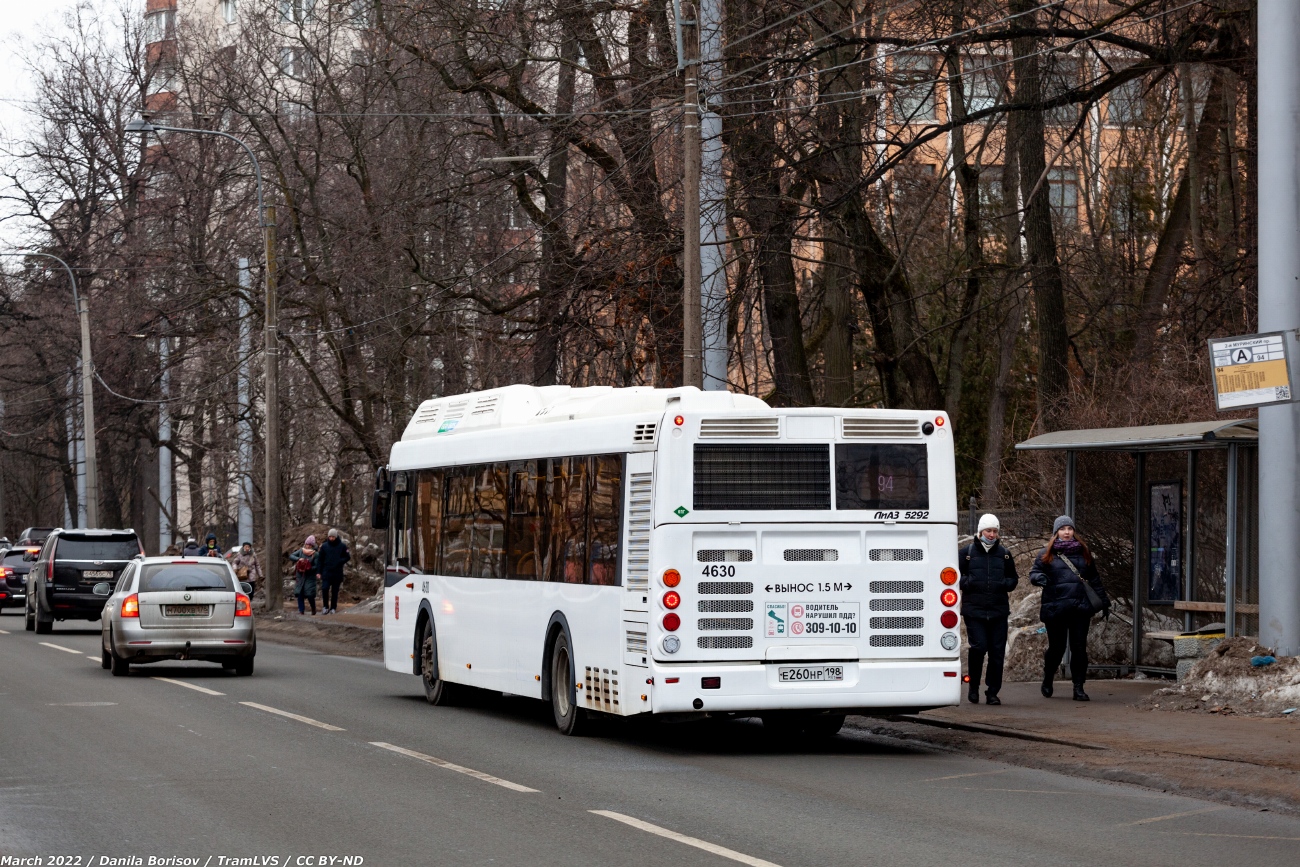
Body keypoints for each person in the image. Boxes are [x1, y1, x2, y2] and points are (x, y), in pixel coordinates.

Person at [1030, 516, 1111, 701]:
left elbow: (1094, 579)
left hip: (1079, 608)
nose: (1067, 532)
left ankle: (1078, 687)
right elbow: (1034, 572)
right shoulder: (1047, 553)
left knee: (1079, 649)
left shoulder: (1084, 552)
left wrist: (1104, 602)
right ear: (1056, 532)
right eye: (1063, 529)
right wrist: (1038, 578)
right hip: (1056, 609)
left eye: (1070, 528)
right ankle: (1048, 678)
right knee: (1056, 649)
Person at [959, 514, 1019, 705]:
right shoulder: (966, 553)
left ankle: (992, 691)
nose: (992, 534)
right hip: (974, 610)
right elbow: (954, 576)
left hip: (998, 611)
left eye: (995, 531)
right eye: (988, 531)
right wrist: (969, 582)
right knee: (979, 647)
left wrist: (1003, 583)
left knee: (997, 652)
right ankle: (973, 686)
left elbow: (1013, 579)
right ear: (980, 531)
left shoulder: (1004, 554)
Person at [316, 528, 351, 615]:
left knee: (335, 591)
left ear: (336, 537)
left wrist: (340, 561)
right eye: (330, 537)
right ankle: (325, 607)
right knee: (325, 588)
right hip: (326, 571)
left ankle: (333, 608)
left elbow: (347, 557)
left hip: (337, 572)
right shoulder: (324, 546)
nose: (331, 538)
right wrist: (318, 572)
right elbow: (320, 560)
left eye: (333, 537)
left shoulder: (342, 546)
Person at [289, 535, 320, 615]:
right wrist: (299, 559)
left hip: (310, 576)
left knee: (310, 594)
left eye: (310, 545)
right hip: (300, 576)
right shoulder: (300, 551)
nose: (308, 546)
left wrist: (309, 567)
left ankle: (313, 608)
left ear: (312, 546)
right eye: (307, 544)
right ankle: (301, 610)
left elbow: (317, 566)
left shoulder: (315, 554)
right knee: (300, 593)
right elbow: (291, 556)